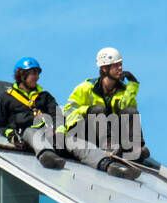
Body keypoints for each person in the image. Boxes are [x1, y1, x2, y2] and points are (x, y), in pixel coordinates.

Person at [57, 47, 147, 179]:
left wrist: (132, 86)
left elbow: (128, 110)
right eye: (116, 65)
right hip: (87, 133)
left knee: (130, 111)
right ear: (104, 68)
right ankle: (109, 147)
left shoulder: (123, 91)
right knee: (96, 110)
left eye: (120, 65)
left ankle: (134, 149)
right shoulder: (86, 88)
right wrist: (86, 111)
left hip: (112, 134)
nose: (120, 69)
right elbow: (69, 111)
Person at [0, 56, 66, 169]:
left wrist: (59, 130)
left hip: (48, 133)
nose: (37, 77)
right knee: (31, 132)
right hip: (26, 135)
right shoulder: (6, 98)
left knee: (76, 143)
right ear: (21, 75)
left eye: (37, 74)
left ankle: (103, 162)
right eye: (33, 73)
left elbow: (57, 115)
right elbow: (1, 125)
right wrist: (11, 134)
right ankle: (47, 156)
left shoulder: (44, 96)